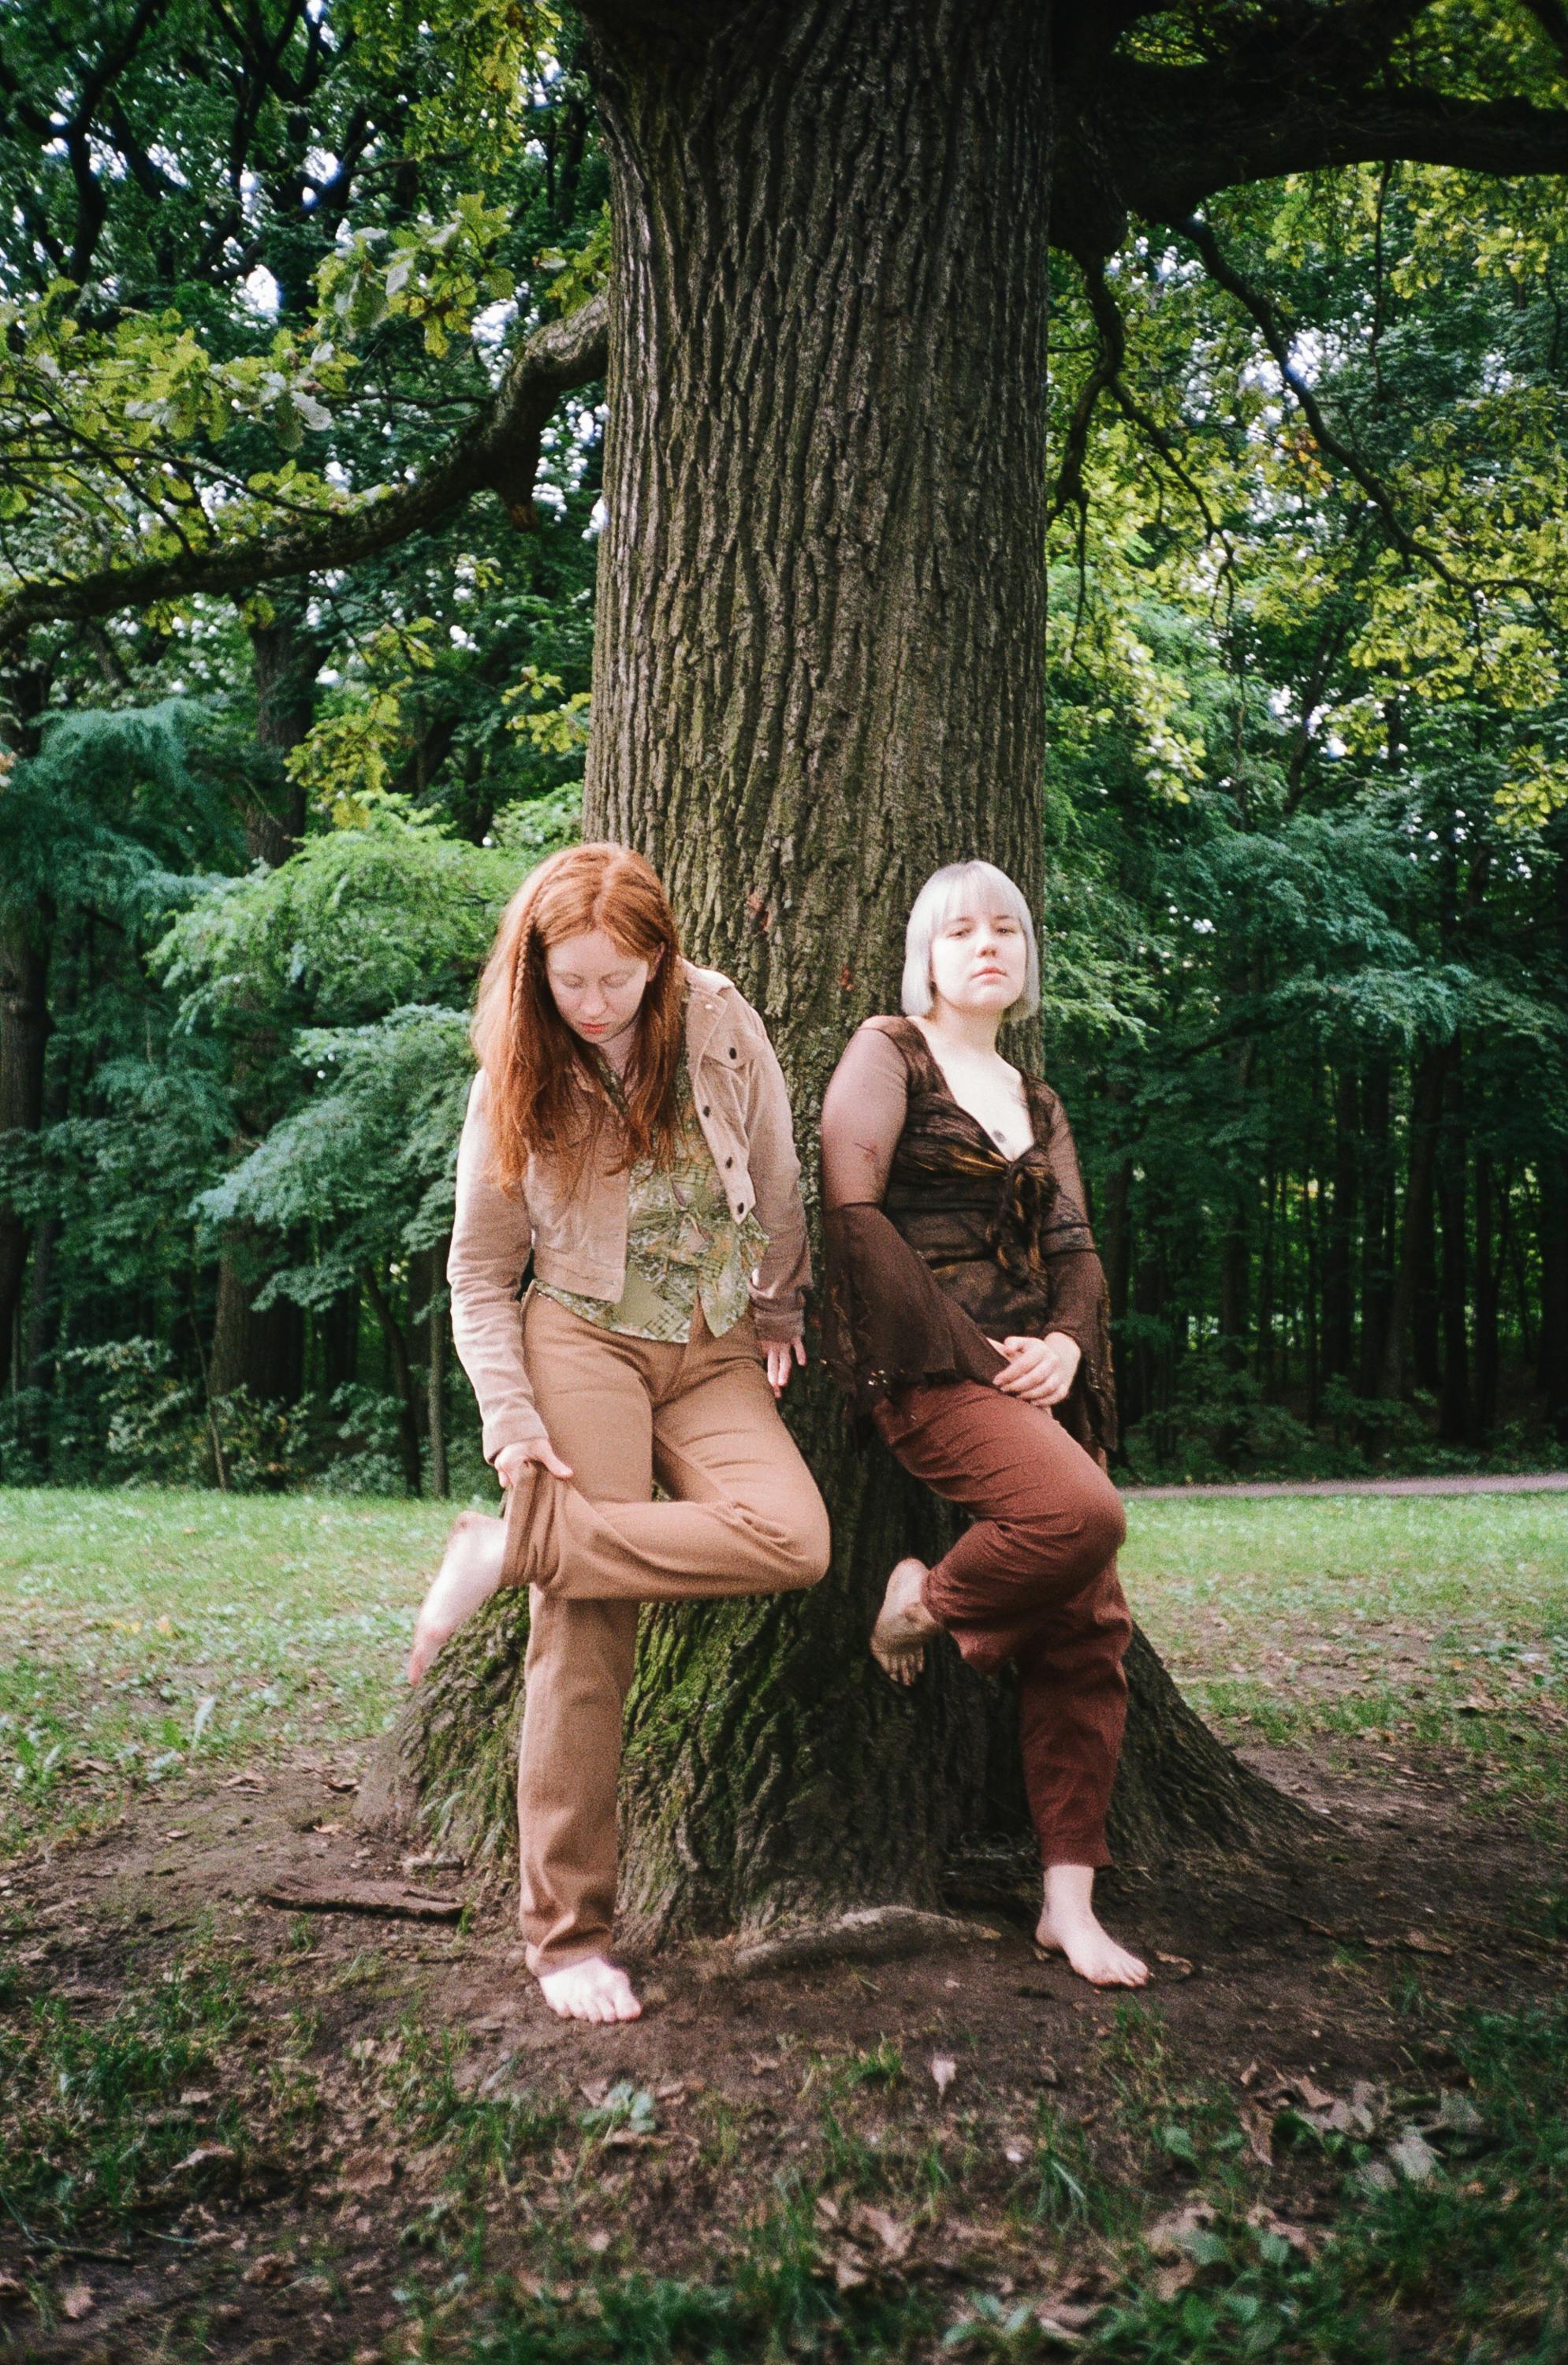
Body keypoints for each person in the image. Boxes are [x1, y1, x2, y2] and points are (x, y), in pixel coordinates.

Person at [408, 843, 831, 2025]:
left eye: (617, 979)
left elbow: (782, 1173)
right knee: (587, 1631)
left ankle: (512, 1549)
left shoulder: (719, 1021)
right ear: (536, 969)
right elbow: (479, 1275)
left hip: (708, 1346)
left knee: (795, 1540)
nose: (593, 1005)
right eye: (570, 982)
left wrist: (781, 1310)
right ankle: (568, 1936)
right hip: (580, 1338)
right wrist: (510, 1423)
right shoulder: (515, 1069)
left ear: (661, 956)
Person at [819, 859, 1144, 1988]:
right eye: (960, 931)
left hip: (1037, 1380)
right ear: (927, 955)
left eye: (1005, 928)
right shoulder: (888, 1051)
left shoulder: (1035, 1098)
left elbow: (1076, 1252)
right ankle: (927, 1605)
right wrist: (973, 1357)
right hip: (926, 1367)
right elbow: (853, 1221)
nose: (986, 945)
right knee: (1080, 1515)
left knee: (1088, 1632)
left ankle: (1067, 1900)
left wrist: (1063, 1344)